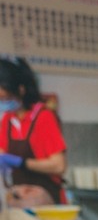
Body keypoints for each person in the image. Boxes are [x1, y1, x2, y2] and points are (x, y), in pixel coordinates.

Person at [0, 56, 67, 208]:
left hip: (46, 201)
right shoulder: (8, 119)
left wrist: (21, 162)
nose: (2, 103)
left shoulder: (43, 117)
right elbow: (2, 152)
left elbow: (59, 166)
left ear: (20, 90)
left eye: (5, 98)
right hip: (20, 200)